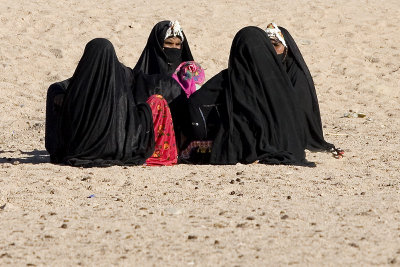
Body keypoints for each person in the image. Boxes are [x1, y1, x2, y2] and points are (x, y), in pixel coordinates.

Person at [186, 25, 342, 166]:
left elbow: (196, 103)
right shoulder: (277, 82)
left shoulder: (238, 78)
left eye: (275, 46)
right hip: (285, 145)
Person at [46, 38, 177, 167]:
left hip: (77, 150)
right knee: (152, 105)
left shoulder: (80, 85)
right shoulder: (118, 82)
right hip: (117, 148)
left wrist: (60, 94)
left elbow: (61, 89)